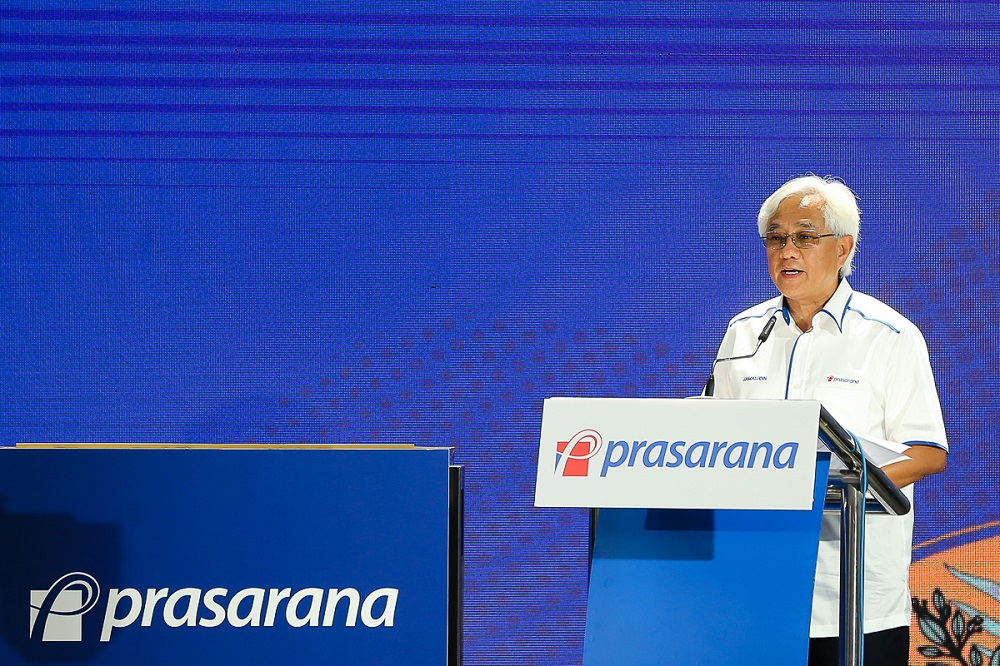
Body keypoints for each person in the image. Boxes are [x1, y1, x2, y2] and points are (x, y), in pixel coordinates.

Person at [710, 175, 948, 666]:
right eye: (776, 238)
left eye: (804, 236)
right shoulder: (743, 333)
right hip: (753, 591)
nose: (786, 251)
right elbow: (713, 442)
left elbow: (927, 453)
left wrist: (826, 489)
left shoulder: (889, 336)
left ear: (843, 248)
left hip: (854, 598)